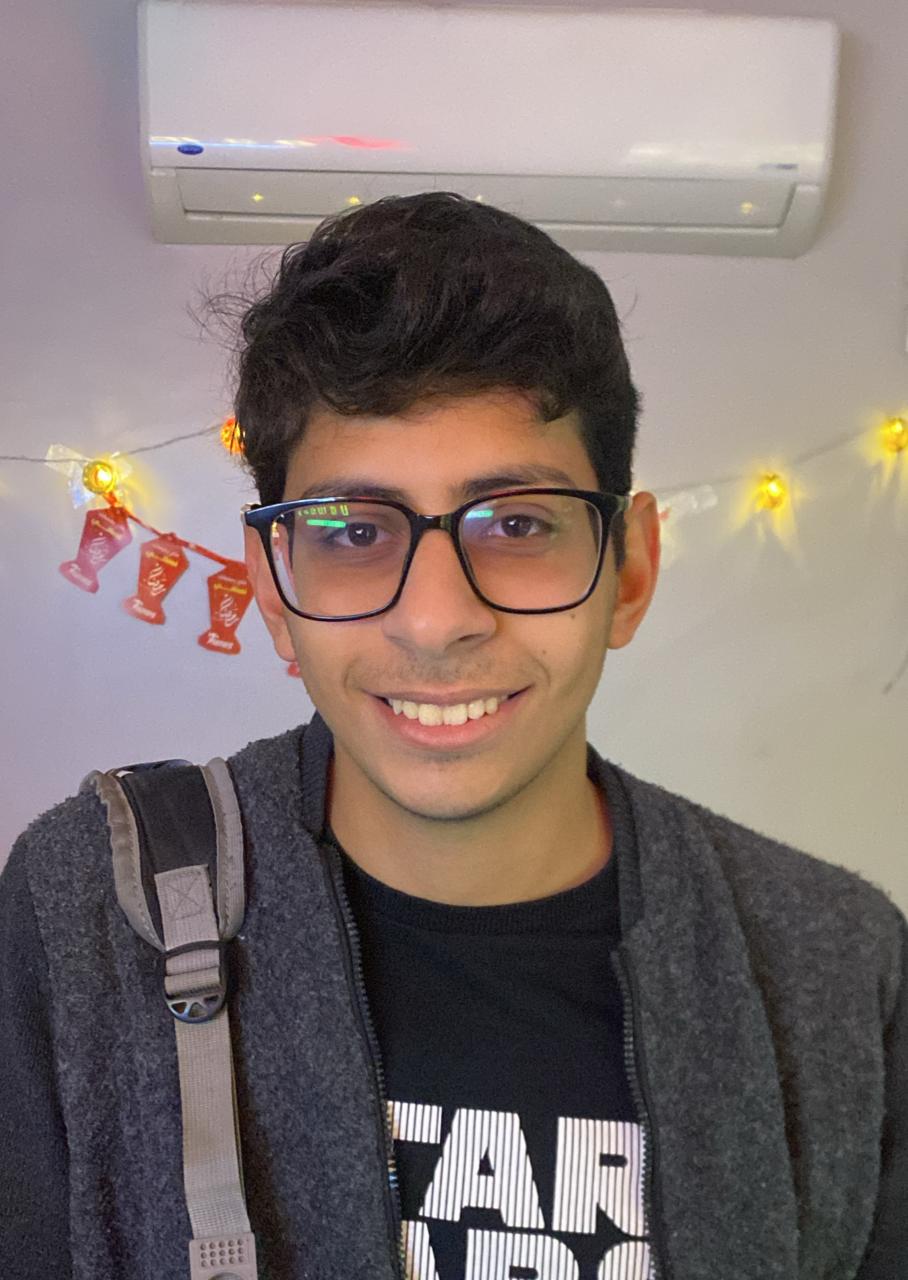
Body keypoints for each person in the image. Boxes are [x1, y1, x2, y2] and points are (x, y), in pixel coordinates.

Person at [0, 193, 904, 1280]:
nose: (436, 620)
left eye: (516, 522)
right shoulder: (87, 911)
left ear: (628, 570)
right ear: (272, 592)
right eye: (352, 531)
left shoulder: (840, 967)